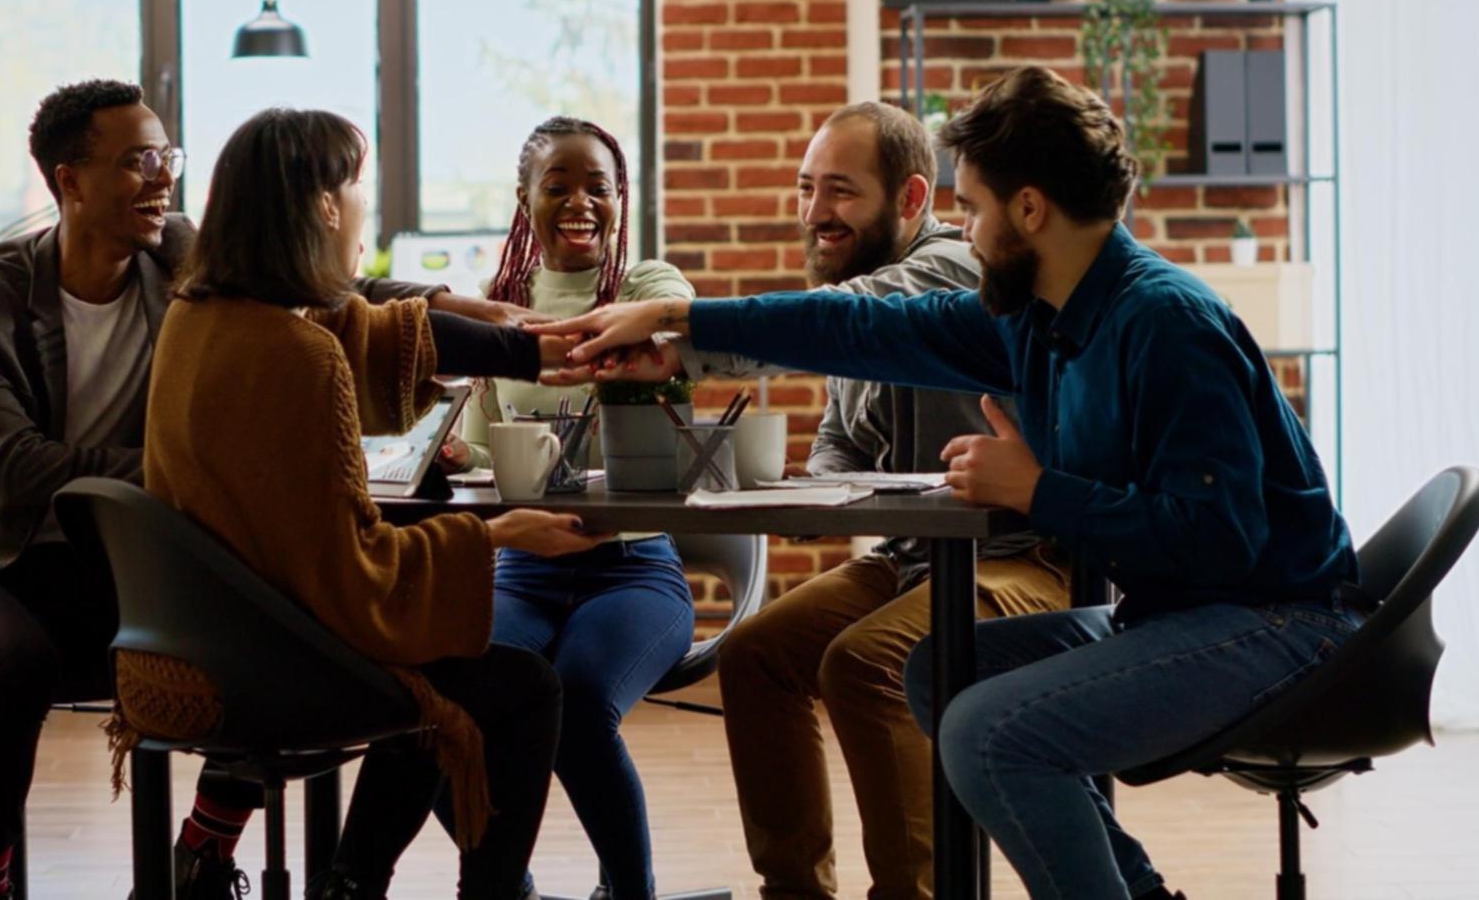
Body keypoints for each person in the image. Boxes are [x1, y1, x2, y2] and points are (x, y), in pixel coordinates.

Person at [535, 65, 1364, 900]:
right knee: (939, 672)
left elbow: (1223, 537)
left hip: (1279, 623)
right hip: (1180, 611)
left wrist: (1036, 490)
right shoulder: (1036, 316)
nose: (963, 233)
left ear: (1029, 210)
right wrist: (680, 329)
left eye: (970, 208)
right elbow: (859, 325)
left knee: (987, 730)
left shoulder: (1164, 323)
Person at [0, 80, 556, 900]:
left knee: (250, 594)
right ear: (68, 180)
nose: (161, 178)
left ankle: (207, 845)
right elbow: (18, 467)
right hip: (0, 549)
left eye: (167, 157)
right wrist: (208, 463)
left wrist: (439, 303)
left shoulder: (181, 253)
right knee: (19, 665)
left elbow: (293, 278)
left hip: (126, 544)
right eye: (138, 160)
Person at [577, 101, 1068, 900]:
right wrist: (810, 480)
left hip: (1028, 557)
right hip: (919, 557)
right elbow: (839, 440)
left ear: (912, 199)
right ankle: (794, 890)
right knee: (755, 653)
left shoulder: (947, 271)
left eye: (839, 191)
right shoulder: (852, 289)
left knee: (866, 663)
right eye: (806, 188)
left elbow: (851, 321)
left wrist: (681, 328)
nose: (814, 213)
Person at [136, 106, 611, 900]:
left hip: (199, 639)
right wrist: (495, 535)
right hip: (269, 665)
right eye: (361, 186)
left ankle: (351, 883)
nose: (367, 207)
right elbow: (353, 568)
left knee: (439, 657)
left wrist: (524, 343)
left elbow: (368, 328)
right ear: (326, 206)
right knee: (518, 687)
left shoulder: (200, 316)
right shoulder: (300, 355)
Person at [439, 117, 696, 900]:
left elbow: (679, 315)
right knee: (445, 702)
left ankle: (628, 892)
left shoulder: (644, 284)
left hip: (633, 567)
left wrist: (572, 343)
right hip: (521, 566)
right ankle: (506, 884)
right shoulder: (495, 309)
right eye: (558, 186)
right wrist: (460, 455)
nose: (581, 201)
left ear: (621, 200)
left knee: (580, 705)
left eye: (599, 187)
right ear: (525, 199)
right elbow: (489, 454)